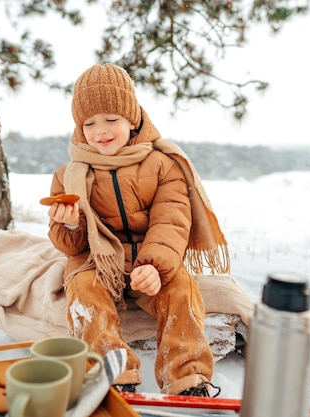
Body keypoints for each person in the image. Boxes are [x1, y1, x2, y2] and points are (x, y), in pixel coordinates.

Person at [46, 63, 230, 396]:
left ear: (132, 119)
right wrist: (70, 223)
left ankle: (187, 378)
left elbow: (171, 221)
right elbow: (71, 248)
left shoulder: (162, 163)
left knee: (182, 291)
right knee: (83, 291)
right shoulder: (68, 174)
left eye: (111, 119)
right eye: (89, 123)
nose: (100, 131)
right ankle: (112, 372)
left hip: (150, 260)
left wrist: (155, 266)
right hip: (97, 262)